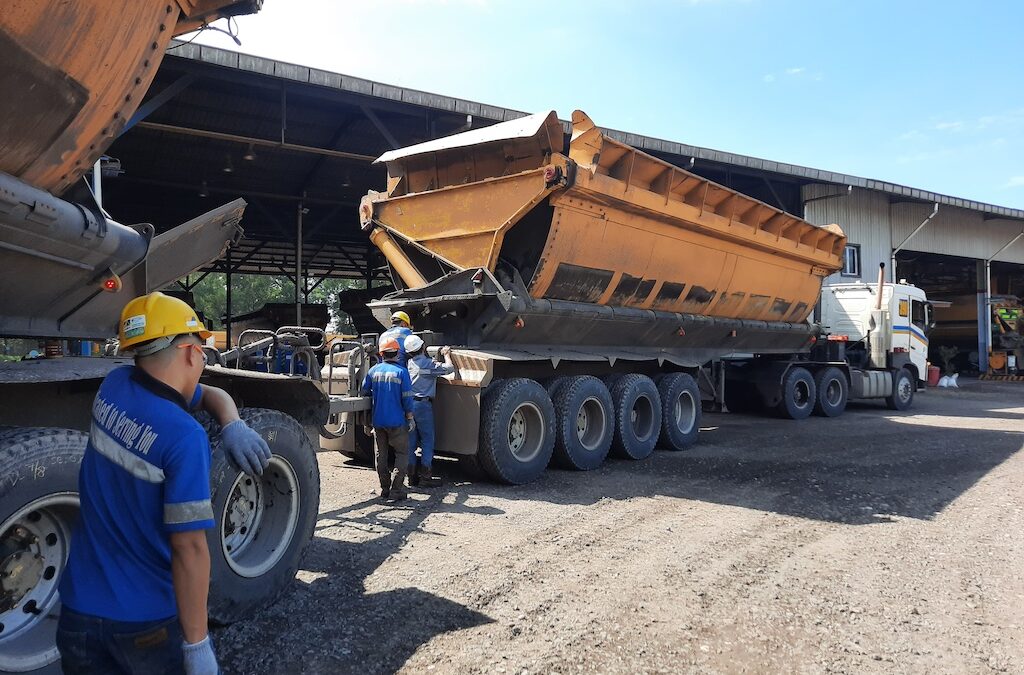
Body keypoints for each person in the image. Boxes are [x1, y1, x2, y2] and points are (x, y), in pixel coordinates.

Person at [57, 292, 272, 675]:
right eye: (203, 351)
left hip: (77, 614)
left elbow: (206, 394)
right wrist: (197, 644)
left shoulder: (114, 386)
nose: (204, 360)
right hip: (144, 629)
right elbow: (189, 549)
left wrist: (231, 420)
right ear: (190, 352)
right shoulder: (183, 438)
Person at [361, 336, 416, 501]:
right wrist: (410, 417)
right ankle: (396, 489)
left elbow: (364, 391)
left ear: (381, 353)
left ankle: (385, 489)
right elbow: (407, 397)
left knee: (381, 455)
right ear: (397, 353)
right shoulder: (402, 372)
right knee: (402, 453)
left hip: (378, 421)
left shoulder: (373, 371)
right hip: (397, 422)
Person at [404, 335, 455, 488]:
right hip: (423, 406)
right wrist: (446, 354)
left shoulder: (409, 363)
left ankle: (411, 477)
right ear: (422, 347)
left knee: (411, 442)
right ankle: (425, 477)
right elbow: (449, 369)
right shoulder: (428, 364)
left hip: (410, 405)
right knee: (427, 440)